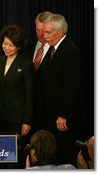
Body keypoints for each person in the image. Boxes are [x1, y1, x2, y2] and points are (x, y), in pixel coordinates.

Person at [0, 25, 35, 168]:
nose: (7, 48)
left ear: (19, 46)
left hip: (17, 118)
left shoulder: (26, 65)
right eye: (5, 43)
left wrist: (27, 121)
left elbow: (30, 95)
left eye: (11, 45)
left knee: (15, 157)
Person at [41, 13, 83, 166]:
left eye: (48, 32)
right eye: (43, 31)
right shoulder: (53, 49)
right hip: (51, 115)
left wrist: (63, 114)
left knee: (64, 155)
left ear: (60, 32)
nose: (44, 35)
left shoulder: (70, 51)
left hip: (63, 119)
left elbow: (72, 86)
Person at [25, 11, 52, 133]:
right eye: (37, 30)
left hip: (48, 112)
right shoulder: (27, 45)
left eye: (44, 31)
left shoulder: (57, 49)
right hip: (29, 111)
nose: (40, 34)